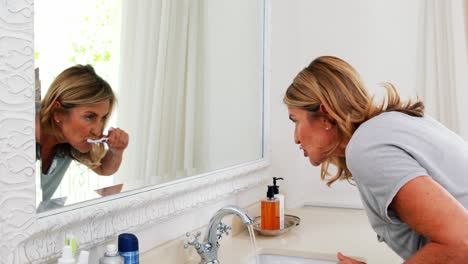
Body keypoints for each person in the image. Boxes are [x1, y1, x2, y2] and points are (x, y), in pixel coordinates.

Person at [283, 56, 468, 263]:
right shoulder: (391, 126)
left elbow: (462, 243)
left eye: (295, 120)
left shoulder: (367, 147)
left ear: (325, 114)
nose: (296, 138)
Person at [38, 64, 129, 201]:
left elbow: (104, 168)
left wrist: (117, 151)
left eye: (102, 118)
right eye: (89, 117)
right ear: (58, 112)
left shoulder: (68, 141)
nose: (98, 131)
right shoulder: (21, 133)